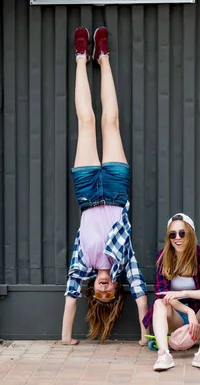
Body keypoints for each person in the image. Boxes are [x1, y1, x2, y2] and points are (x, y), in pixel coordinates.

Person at [61, 26, 149, 346]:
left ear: (93, 290)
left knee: (86, 122)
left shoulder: (82, 264)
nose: (103, 289)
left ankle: (81, 58)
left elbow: (71, 295)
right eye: (109, 293)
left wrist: (65, 338)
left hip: (86, 192)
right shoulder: (124, 261)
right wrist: (143, 336)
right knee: (109, 121)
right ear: (115, 288)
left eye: (98, 293)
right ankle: (104, 58)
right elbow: (141, 296)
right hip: (115, 188)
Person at [142, 213, 200, 371]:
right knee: (159, 303)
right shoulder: (163, 257)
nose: (177, 238)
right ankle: (163, 355)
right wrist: (187, 311)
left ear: (190, 234)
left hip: (198, 318)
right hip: (176, 318)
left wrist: (185, 293)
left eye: (182, 233)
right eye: (172, 234)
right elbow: (161, 292)